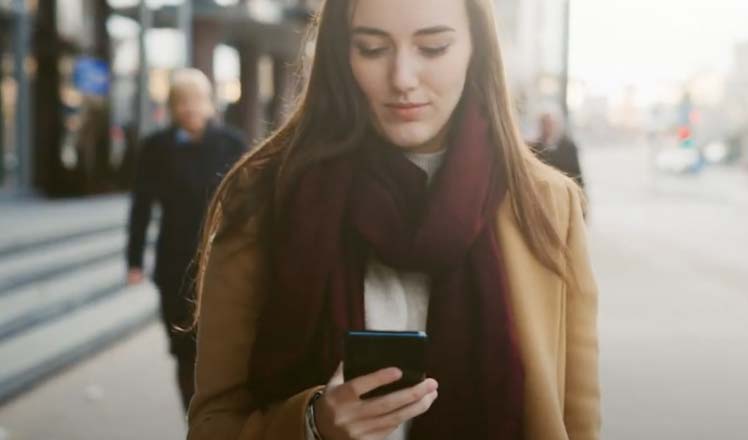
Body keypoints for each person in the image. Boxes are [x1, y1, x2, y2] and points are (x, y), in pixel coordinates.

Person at [188, 0, 600, 439]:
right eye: (371, 49)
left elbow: (577, 424)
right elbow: (214, 423)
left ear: (476, 49)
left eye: (434, 47)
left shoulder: (546, 205)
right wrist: (313, 425)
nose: (402, 78)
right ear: (339, 54)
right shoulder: (266, 194)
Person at [126, 68, 246, 412]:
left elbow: (251, 205)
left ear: (210, 103)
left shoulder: (233, 144)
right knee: (184, 352)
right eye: (181, 102)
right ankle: (195, 423)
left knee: (224, 349)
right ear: (171, 107)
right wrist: (134, 261)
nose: (189, 108)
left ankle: (223, 420)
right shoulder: (155, 148)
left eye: (196, 100)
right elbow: (141, 207)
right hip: (175, 264)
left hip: (225, 262)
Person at [530, 110, 586, 190]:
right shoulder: (534, 149)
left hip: (565, 190)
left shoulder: (568, 147)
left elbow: (577, 175)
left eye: (550, 124)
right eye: (545, 124)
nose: (548, 127)